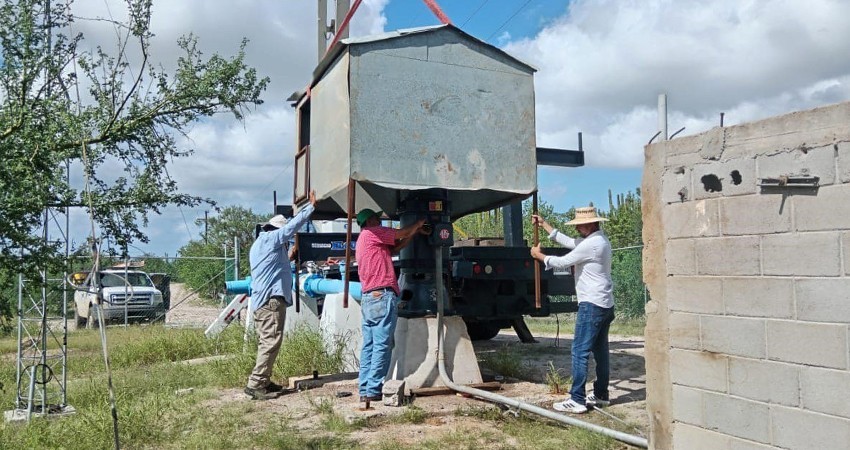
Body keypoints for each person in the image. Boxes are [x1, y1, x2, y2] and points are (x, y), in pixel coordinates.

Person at [530, 206, 614, 414]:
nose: (577, 229)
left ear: (590, 224)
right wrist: (544, 224)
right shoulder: (599, 240)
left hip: (591, 304)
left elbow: (563, 261)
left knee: (579, 351)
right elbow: (569, 242)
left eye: (580, 225)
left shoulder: (592, 244)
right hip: (604, 304)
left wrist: (539, 256)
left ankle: (577, 399)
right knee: (600, 351)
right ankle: (601, 394)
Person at [244, 190, 317, 400]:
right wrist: (310, 208)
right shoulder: (271, 239)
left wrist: (291, 254)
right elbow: (291, 228)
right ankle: (256, 384)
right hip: (270, 302)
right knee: (270, 342)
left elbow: (276, 266)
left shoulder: (261, 245)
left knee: (268, 341)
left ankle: (264, 381)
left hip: (263, 301)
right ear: (276, 230)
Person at [354, 208, 426, 402]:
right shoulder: (373, 232)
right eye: (377, 219)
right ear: (370, 221)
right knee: (382, 345)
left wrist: (413, 233)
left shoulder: (364, 240)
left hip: (369, 297)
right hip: (381, 295)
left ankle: (365, 389)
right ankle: (374, 389)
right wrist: (418, 224)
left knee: (369, 346)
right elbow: (401, 233)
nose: (380, 222)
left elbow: (395, 248)